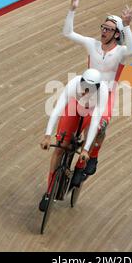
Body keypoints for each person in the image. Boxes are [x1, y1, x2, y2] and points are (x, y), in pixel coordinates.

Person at [62, 0, 132, 179]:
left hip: (106, 95)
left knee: (99, 126)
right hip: (86, 90)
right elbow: (68, 33)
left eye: (109, 29)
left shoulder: (120, 52)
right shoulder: (91, 44)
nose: (103, 31)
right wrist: (72, 9)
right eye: (103, 27)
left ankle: (90, 157)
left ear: (117, 34)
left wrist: (127, 26)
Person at [39, 68, 109, 211]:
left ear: (97, 88)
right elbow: (57, 109)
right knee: (59, 149)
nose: (85, 92)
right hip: (74, 109)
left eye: (90, 90)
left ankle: (81, 166)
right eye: (84, 88)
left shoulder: (103, 92)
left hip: (90, 114)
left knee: (95, 132)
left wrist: (85, 149)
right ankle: (49, 192)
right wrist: (47, 136)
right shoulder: (73, 84)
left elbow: (95, 121)